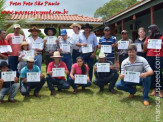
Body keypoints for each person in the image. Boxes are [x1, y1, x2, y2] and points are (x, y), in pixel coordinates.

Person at [143, 24, 163, 97]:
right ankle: (154, 89)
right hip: (149, 56)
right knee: (152, 73)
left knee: (158, 72)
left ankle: (161, 90)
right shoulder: (148, 38)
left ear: (154, 29)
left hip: (159, 56)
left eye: (150, 29)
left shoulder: (161, 37)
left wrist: (162, 44)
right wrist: (145, 44)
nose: (149, 31)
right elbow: (145, 49)